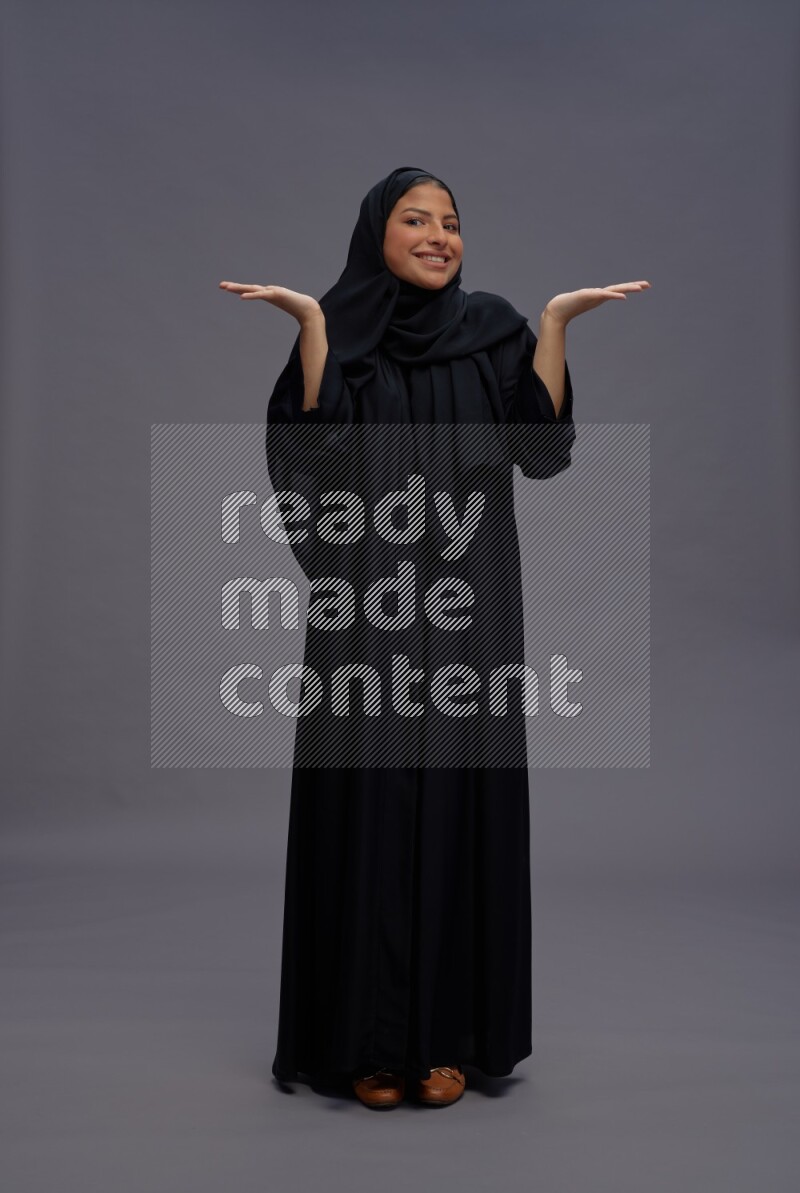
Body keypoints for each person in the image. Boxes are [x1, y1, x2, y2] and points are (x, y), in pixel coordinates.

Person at [219, 166, 649, 1110]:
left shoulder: (490, 331)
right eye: (416, 219)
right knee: (368, 807)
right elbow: (309, 464)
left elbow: (539, 454)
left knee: (459, 804)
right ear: (377, 232)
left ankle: (447, 1036)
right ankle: (369, 1044)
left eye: (451, 222)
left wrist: (554, 325)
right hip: (367, 608)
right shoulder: (339, 336)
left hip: (470, 611)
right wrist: (315, 334)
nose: (438, 235)